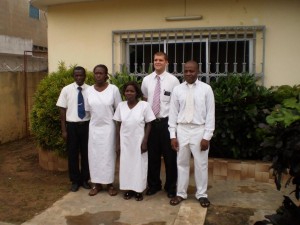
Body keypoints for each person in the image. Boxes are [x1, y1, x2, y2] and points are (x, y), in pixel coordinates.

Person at [168, 60, 215, 207]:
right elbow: (173, 113)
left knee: (201, 164)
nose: (188, 73)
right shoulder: (177, 90)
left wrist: (207, 136)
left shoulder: (206, 89)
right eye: (186, 71)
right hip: (182, 129)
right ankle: (181, 193)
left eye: (192, 71)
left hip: (199, 130)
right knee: (181, 163)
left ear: (198, 71)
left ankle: (202, 194)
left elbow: (210, 114)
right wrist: (173, 135)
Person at [141, 52, 180, 198]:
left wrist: (174, 128)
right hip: (151, 124)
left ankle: (170, 187)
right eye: (155, 60)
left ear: (166, 62)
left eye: (160, 60)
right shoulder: (146, 80)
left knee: (170, 158)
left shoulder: (173, 81)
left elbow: (176, 103)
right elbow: (145, 99)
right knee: (153, 157)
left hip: (167, 124)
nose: (157, 62)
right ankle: (154, 185)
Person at [113, 81, 155, 201]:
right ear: (124, 93)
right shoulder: (121, 106)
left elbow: (149, 124)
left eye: (132, 91)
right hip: (125, 142)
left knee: (139, 166)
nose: (129, 93)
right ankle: (128, 189)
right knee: (126, 166)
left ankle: (138, 190)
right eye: (127, 91)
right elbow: (118, 125)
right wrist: (117, 143)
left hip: (139, 141)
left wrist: (145, 141)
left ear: (137, 93)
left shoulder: (144, 105)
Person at [85, 64, 122, 197]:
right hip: (94, 128)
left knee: (108, 156)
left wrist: (119, 133)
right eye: (96, 73)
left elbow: (119, 111)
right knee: (94, 156)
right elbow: (88, 111)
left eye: (101, 73)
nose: (98, 75)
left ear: (106, 75)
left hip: (109, 129)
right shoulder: (88, 90)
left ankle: (110, 184)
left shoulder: (113, 89)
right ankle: (97, 184)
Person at [56, 66, 91, 192]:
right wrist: (64, 130)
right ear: (73, 76)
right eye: (76, 75)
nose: (79, 77)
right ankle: (75, 181)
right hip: (72, 126)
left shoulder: (90, 90)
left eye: (81, 75)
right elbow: (62, 110)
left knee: (86, 153)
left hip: (86, 125)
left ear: (85, 76)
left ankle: (85, 180)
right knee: (73, 154)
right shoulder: (66, 90)